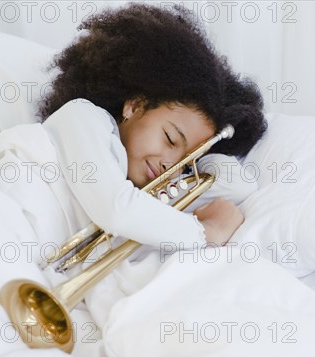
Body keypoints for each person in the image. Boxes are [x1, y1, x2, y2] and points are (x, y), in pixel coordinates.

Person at [37, 2, 268, 250]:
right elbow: (117, 211)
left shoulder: (149, 190)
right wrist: (207, 231)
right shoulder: (81, 116)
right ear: (135, 106)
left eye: (186, 161)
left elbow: (238, 186)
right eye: (169, 138)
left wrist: (201, 153)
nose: (171, 165)